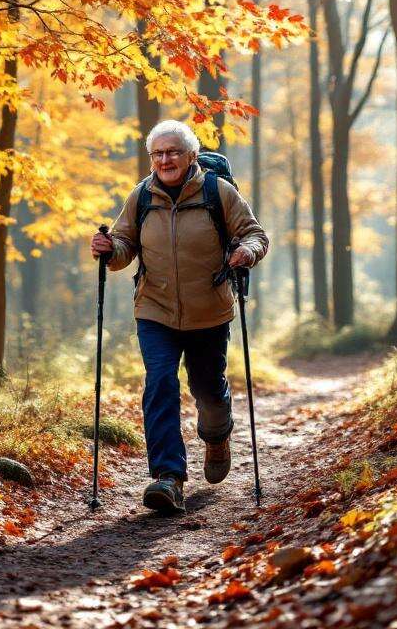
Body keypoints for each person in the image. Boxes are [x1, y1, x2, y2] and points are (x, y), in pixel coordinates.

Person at [91, 120, 268, 512]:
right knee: (160, 383)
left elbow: (256, 234)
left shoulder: (217, 193)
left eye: (173, 152)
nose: (165, 160)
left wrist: (247, 252)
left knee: (207, 386)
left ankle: (217, 434)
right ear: (151, 158)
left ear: (191, 155)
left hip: (209, 310)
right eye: (158, 153)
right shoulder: (141, 197)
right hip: (155, 310)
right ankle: (168, 477)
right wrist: (107, 248)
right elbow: (124, 247)